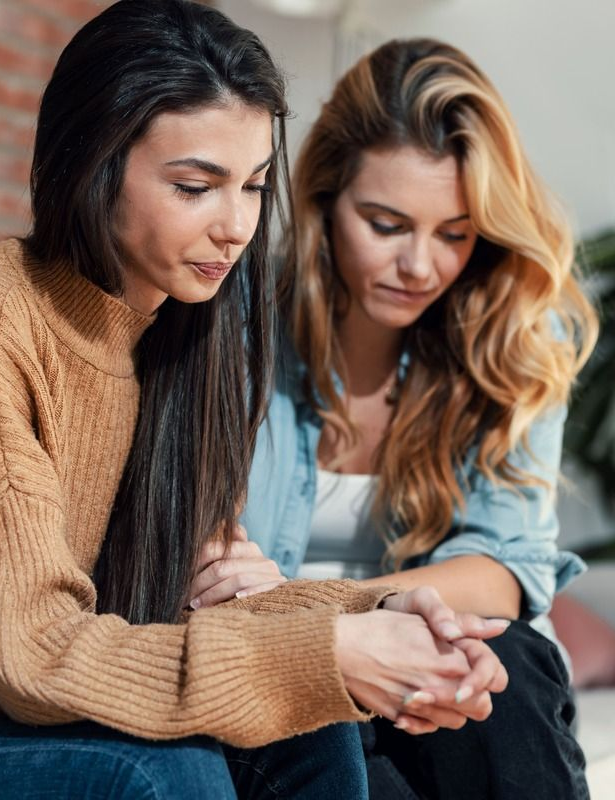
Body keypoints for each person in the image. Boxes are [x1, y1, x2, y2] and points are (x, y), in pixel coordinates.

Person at [0, 6, 512, 799]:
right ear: (90, 163)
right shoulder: (13, 323)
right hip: (22, 700)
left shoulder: (191, 341)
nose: (237, 227)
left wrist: (390, 609)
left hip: (66, 703)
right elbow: (32, 655)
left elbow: (203, 607)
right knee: (166, 773)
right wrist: (329, 653)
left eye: (253, 185)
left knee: (313, 733)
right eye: (195, 186)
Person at [190, 38, 598, 799]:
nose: (421, 267)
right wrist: (337, 636)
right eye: (385, 223)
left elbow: (504, 570)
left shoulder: (509, 341)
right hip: (284, 669)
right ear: (323, 201)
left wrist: (379, 614)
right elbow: (204, 565)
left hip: (440, 663)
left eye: (453, 234)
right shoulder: (228, 326)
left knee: (498, 668)